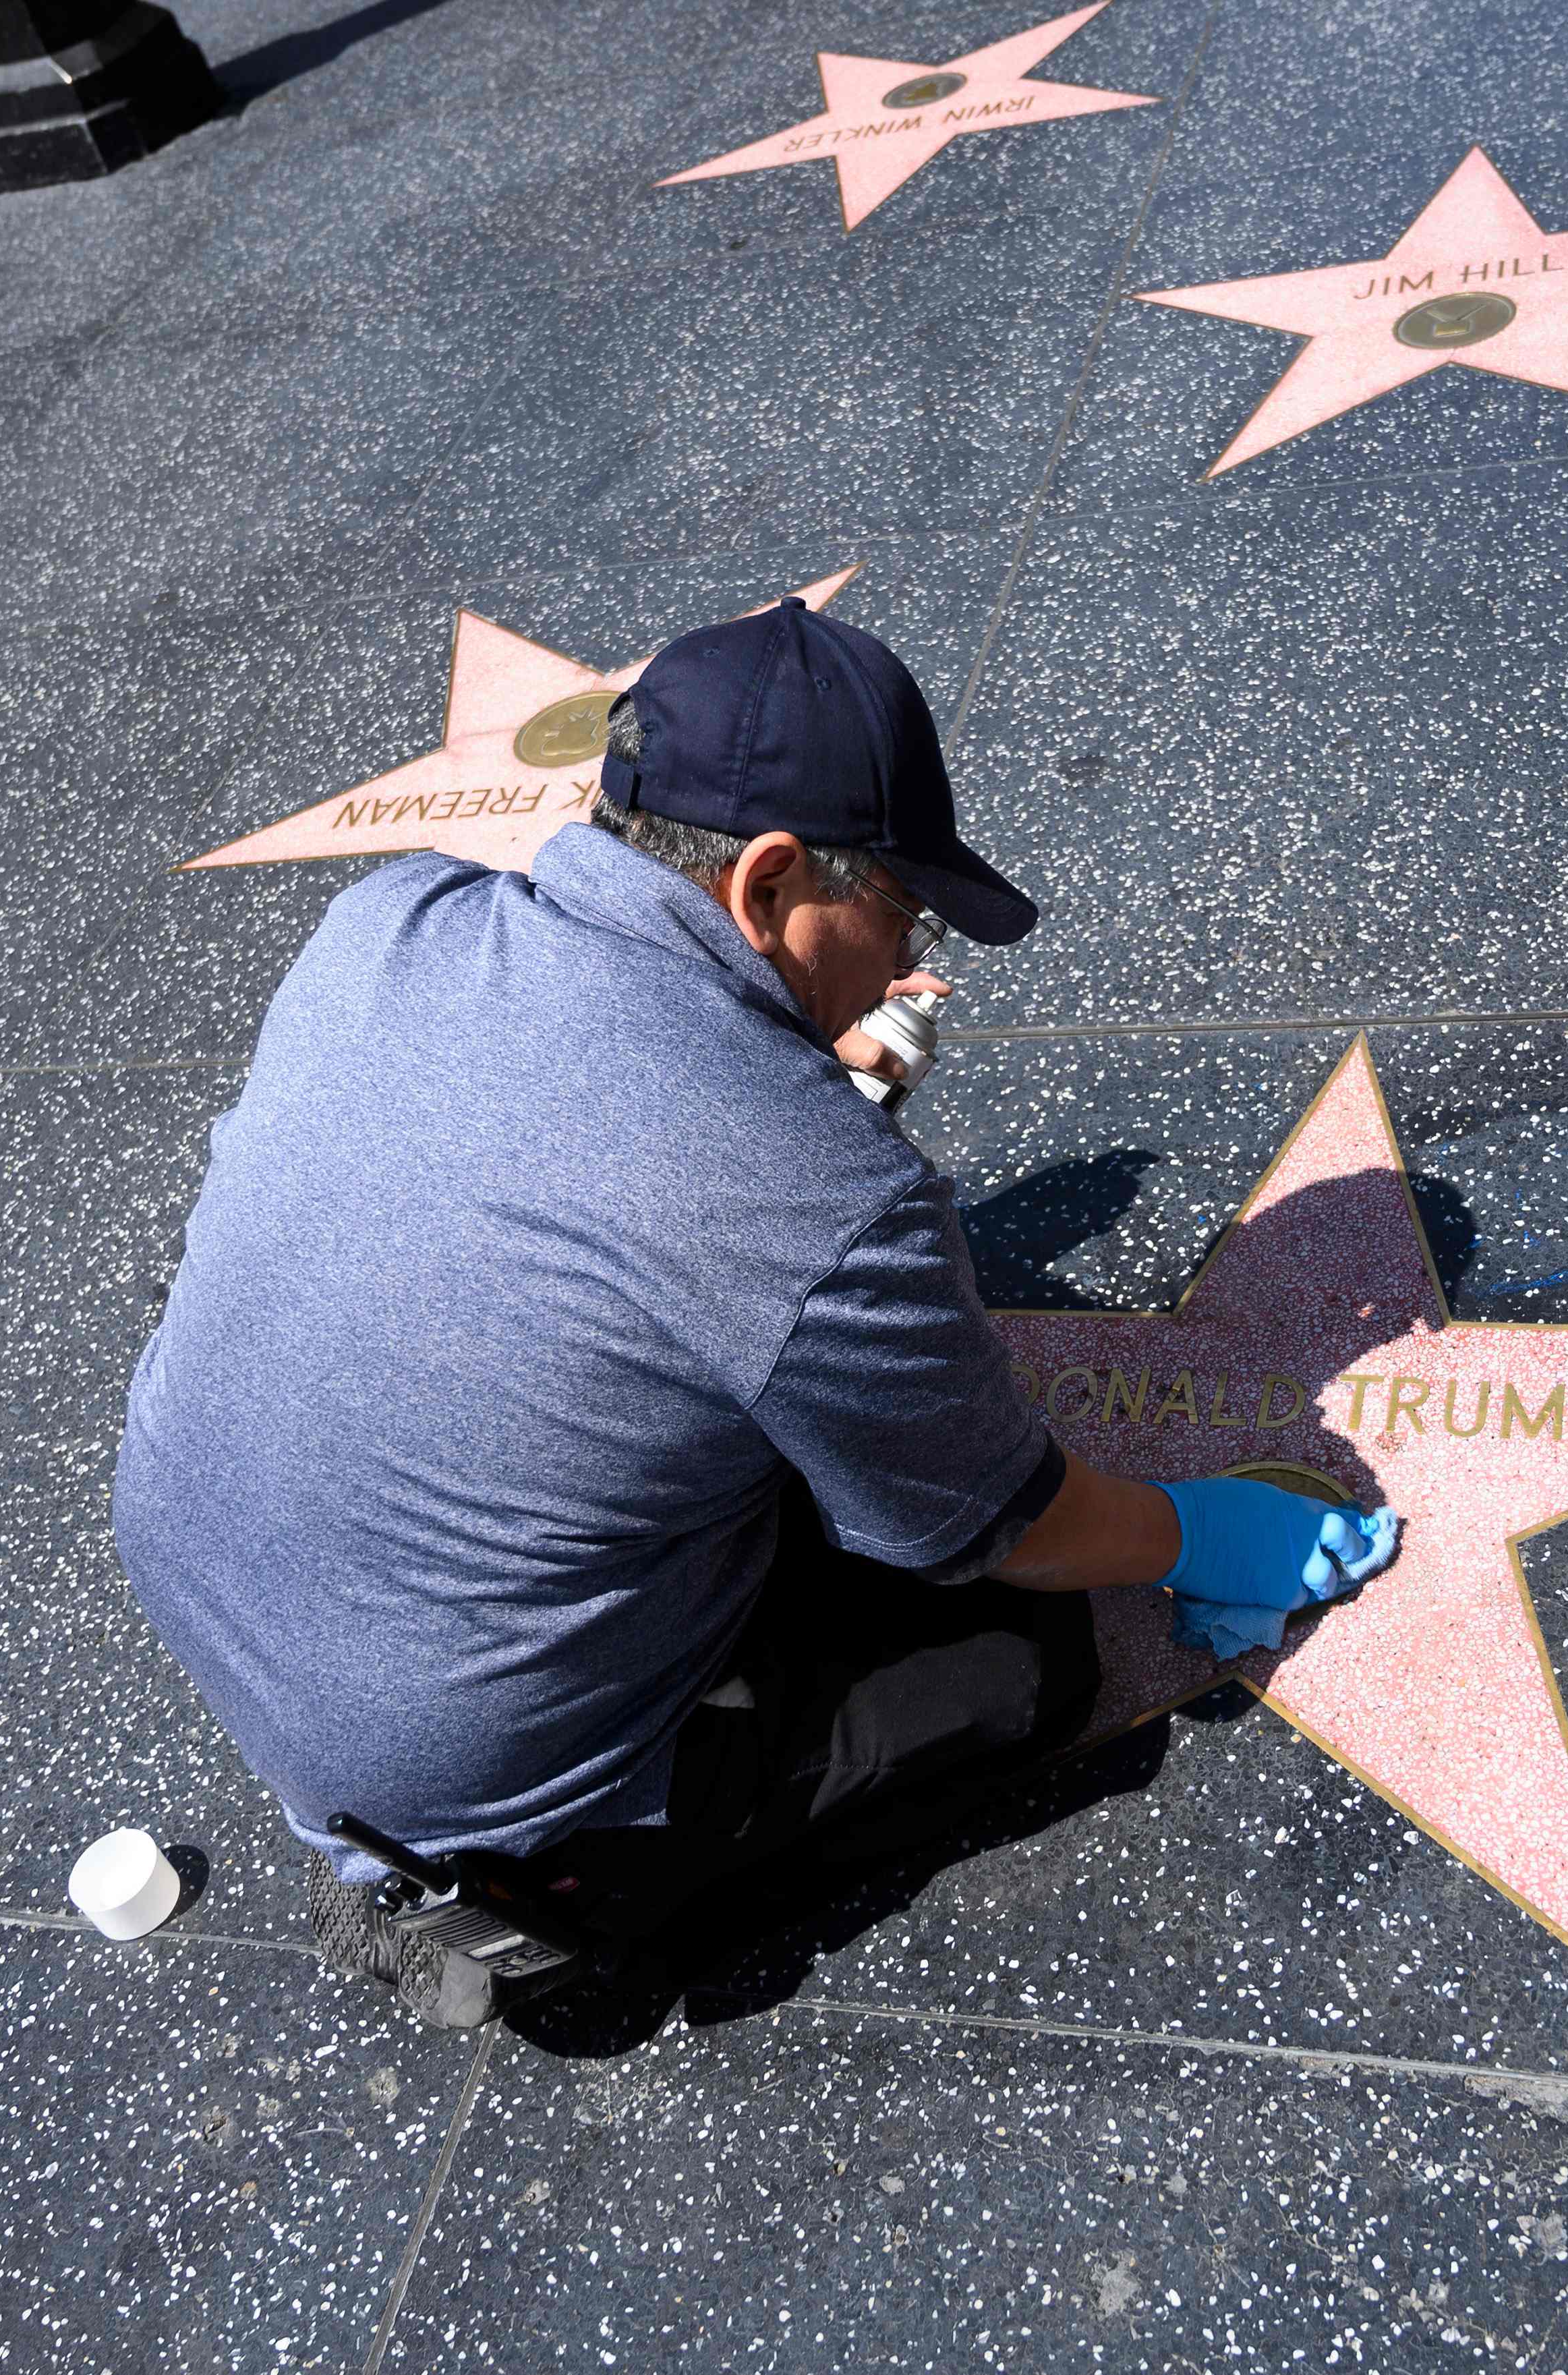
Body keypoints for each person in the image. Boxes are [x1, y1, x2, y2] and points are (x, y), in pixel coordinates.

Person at [113, 598, 1397, 2026]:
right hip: (477, 1781)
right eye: (895, 909)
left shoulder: (388, 918)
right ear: (770, 881)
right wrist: (1210, 1530)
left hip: (233, 1605)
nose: (904, 953)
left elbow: (574, 1159)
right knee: (1021, 1666)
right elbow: (1003, 1527)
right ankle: (562, 1897)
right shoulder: (823, 1201)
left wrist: (791, 1081)